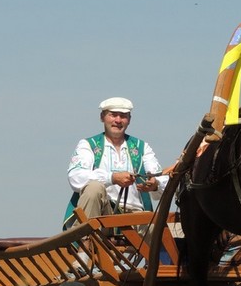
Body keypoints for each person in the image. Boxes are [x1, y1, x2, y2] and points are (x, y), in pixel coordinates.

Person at [64, 97, 168, 227]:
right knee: (94, 188)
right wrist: (112, 178)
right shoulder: (88, 145)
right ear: (102, 117)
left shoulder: (142, 147)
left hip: (136, 216)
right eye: (113, 115)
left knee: (162, 240)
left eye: (123, 116)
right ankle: (86, 243)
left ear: (129, 119)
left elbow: (162, 179)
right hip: (102, 216)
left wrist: (155, 184)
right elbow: (75, 178)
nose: (118, 120)